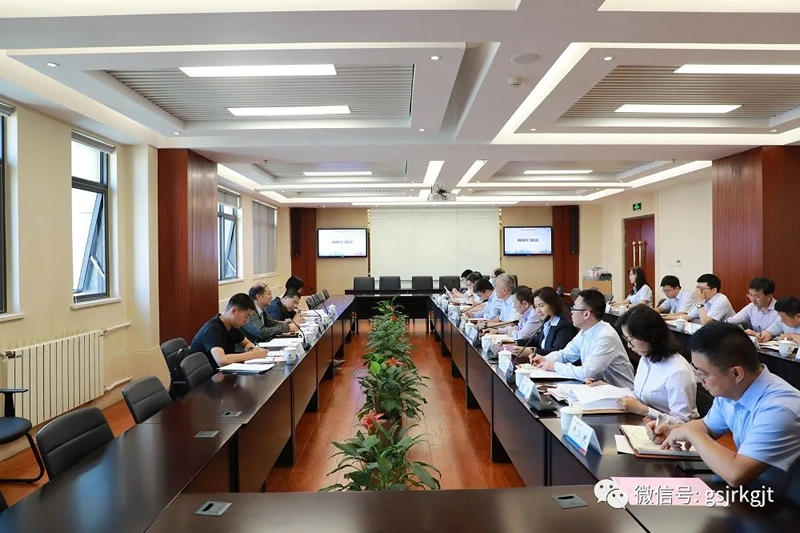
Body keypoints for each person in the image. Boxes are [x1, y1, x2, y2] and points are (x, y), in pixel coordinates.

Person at [648, 322, 800, 492]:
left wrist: (690, 433)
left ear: (736, 373)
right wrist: (674, 431)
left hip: (784, 502)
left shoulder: (779, 409)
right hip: (755, 492)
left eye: (702, 374)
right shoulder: (733, 391)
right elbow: (706, 427)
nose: (699, 380)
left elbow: (736, 474)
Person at [598, 306, 698, 423]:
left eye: (630, 339)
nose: (629, 345)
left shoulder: (678, 371)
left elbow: (683, 422)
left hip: (667, 430)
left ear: (649, 336)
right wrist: (608, 388)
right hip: (645, 422)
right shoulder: (646, 358)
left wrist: (644, 410)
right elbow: (639, 395)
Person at [533, 289, 635, 388]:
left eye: (574, 308)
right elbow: (565, 355)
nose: (571, 312)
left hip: (621, 393)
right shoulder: (585, 331)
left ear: (586, 314)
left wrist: (554, 366)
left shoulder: (606, 336)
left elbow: (586, 373)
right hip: (599, 388)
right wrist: (545, 359)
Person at [189, 293, 268, 370]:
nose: (246, 321)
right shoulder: (212, 329)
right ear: (234, 311)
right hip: (210, 376)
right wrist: (253, 354)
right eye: (246, 316)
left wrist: (252, 349)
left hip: (224, 372)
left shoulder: (231, 326)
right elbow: (221, 360)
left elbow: (247, 343)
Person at [516, 286, 577, 356]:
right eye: (535, 307)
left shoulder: (564, 326)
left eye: (541, 306)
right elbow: (536, 340)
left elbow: (557, 352)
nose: (538, 310)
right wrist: (516, 343)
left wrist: (532, 351)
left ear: (552, 304)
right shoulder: (547, 322)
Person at [669, 273, 735, 325]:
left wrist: (699, 302)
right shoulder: (704, 300)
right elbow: (688, 317)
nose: (699, 292)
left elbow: (705, 322)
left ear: (714, 290)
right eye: (698, 288)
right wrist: (666, 318)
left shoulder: (721, 300)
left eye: (702, 289)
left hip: (729, 334)